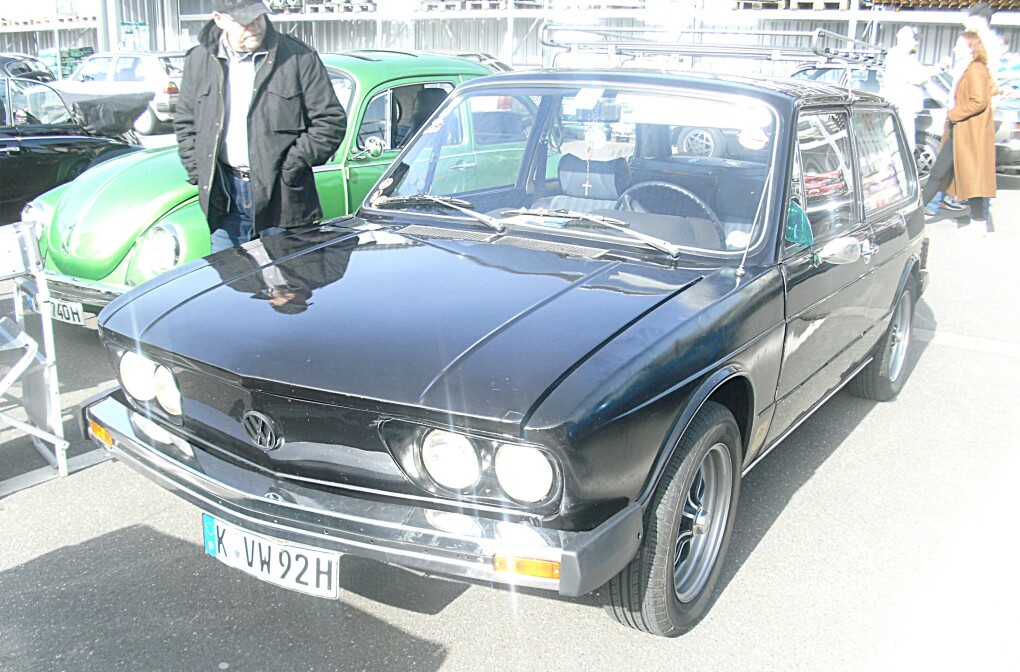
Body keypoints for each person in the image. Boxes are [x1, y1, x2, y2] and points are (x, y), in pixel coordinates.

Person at [174, 0, 345, 253]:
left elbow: (330, 121)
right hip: (225, 200)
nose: (254, 26)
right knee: (232, 277)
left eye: (258, 17)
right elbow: (185, 123)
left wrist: (290, 168)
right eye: (244, 21)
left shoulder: (298, 56)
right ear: (219, 19)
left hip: (283, 200)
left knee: (288, 277)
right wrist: (199, 172)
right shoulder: (199, 60)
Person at [921, 31, 996, 236]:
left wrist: (953, 114)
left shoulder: (975, 69)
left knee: (970, 177)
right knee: (940, 174)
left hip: (967, 132)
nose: (954, 49)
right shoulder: (970, 68)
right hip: (961, 131)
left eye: (958, 45)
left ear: (970, 48)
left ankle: (978, 224)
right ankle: (915, 213)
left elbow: (979, 101)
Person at [882, 25, 945, 152]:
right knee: (903, 148)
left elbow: (923, 78)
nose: (917, 42)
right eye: (914, 39)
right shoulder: (897, 56)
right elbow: (917, 77)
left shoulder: (905, 58)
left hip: (903, 110)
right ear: (905, 40)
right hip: (900, 110)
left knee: (902, 147)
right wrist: (938, 68)